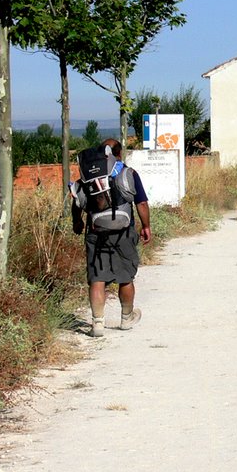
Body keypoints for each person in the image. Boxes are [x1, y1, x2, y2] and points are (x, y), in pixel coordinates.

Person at [71, 138, 152, 337]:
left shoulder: (88, 176)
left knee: (97, 278)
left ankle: (97, 323)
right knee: (125, 277)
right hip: (123, 232)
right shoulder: (128, 173)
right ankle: (126, 318)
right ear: (119, 153)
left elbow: (77, 202)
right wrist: (146, 226)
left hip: (96, 232)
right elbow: (141, 203)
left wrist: (77, 222)